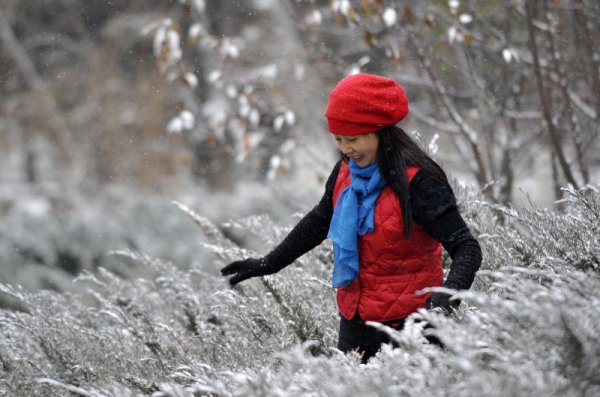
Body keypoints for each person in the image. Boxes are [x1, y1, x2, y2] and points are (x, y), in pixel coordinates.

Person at [221, 73, 482, 363]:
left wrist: (449, 293)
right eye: (338, 140)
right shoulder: (346, 172)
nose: (345, 149)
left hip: (411, 326)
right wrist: (269, 263)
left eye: (353, 139)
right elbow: (320, 220)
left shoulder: (420, 183)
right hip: (355, 324)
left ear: (380, 131)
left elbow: (467, 247)